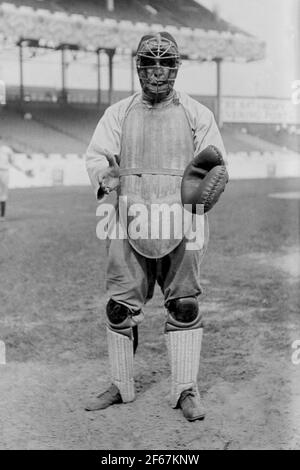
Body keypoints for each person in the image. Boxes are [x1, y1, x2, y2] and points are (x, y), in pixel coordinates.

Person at [85, 31, 227, 421]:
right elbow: (98, 155)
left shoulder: (198, 114)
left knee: (183, 305)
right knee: (118, 308)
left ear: (176, 68)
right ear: (139, 67)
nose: (158, 71)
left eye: (166, 63)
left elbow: (214, 164)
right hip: (128, 218)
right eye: (150, 62)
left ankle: (185, 390)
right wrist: (105, 176)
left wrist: (208, 188)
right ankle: (120, 385)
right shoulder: (119, 113)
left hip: (183, 220)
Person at [0, 142, 32, 221]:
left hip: (4, 172)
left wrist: (24, 170)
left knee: (3, 194)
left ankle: (2, 216)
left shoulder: (7, 150)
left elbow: (13, 162)